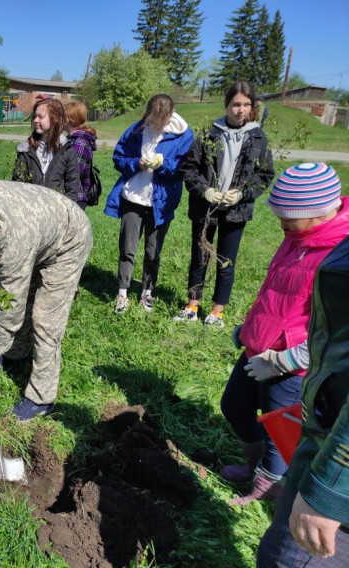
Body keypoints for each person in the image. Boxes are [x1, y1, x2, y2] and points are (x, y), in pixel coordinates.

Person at [221, 163, 349, 509]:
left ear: (317, 213)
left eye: (287, 219)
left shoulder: (340, 256)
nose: (281, 226)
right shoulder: (298, 238)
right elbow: (277, 294)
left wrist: (285, 360)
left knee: (283, 431)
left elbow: (336, 334)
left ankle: (268, 488)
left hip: (293, 365)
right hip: (260, 350)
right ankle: (255, 463)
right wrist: (250, 331)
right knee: (234, 406)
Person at [0, 180, 93, 421]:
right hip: (40, 224)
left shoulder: (12, 245)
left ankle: (41, 398)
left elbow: (11, 306)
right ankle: (17, 352)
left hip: (69, 239)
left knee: (46, 319)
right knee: (28, 297)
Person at [256, 181, 349, 568]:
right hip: (323, 424)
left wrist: (326, 492)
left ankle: (266, 477)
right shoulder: (296, 243)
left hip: (335, 460)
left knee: (288, 559)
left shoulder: (329, 243)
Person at [175, 81, 275, 327]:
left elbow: (264, 175)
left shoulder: (258, 137)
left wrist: (243, 194)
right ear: (227, 105)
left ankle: (217, 311)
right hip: (205, 208)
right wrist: (205, 190)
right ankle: (192, 305)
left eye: (246, 105)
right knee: (199, 256)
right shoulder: (210, 133)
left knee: (226, 260)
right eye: (236, 104)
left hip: (236, 211)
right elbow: (189, 167)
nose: (241, 110)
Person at [104, 94, 194, 314]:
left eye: (162, 120)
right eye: (153, 119)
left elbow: (184, 168)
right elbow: (118, 157)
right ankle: (122, 293)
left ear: (170, 116)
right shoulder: (136, 130)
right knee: (127, 248)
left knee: (153, 251)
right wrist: (136, 163)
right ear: (148, 113)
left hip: (160, 202)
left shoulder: (183, 135)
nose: (157, 124)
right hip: (132, 198)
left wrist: (161, 164)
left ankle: (147, 292)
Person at [11, 98, 80, 203]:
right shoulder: (26, 150)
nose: (35, 120)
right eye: (35, 116)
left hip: (57, 213)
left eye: (41, 117)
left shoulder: (67, 150)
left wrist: (63, 212)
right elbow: (17, 185)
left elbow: (72, 188)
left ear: (55, 119)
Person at [63, 100, 98, 210]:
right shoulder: (72, 140)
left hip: (76, 197)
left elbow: (75, 172)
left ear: (69, 118)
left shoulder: (79, 143)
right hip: (70, 194)